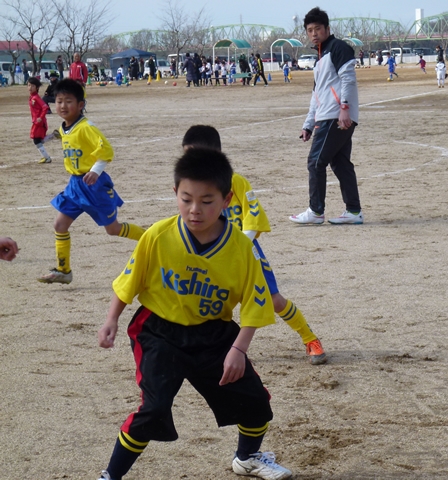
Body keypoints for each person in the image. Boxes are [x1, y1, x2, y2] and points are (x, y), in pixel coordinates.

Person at [96, 146, 292, 480]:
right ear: (175, 193)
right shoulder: (158, 235)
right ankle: (110, 476)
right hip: (159, 331)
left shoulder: (242, 249)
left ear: (227, 200)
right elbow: (129, 281)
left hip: (214, 334)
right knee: (153, 409)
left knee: (256, 402)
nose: (195, 210)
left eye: (207, 200)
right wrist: (112, 318)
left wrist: (238, 349)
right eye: (186, 199)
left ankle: (247, 457)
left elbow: (256, 305)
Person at [182, 125, 327, 364]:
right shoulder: (190, 191)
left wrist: (238, 244)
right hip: (210, 257)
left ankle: (310, 338)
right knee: (205, 301)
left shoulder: (235, 182)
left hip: (245, 252)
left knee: (274, 301)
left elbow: (253, 216)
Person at [37, 79, 145, 284]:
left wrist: (96, 171)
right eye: (59, 101)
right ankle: (63, 270)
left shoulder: (87, 127)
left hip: (93, 186)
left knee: (113, 230)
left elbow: (106, 151)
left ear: (81, 105)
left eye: (68, 101)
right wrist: (49, 137)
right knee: (60, 224)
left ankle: (149, 237)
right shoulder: (65, 126)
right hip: (75, 186)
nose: (62, 106)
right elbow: (63, 133)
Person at [289, 7, 363, 225]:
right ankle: (353, 211)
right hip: (326, 115)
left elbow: (348, 79)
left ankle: (316, 211)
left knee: (315, 161)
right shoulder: (320, 57)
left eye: (318, 29)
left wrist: (344, 108)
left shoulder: (339, 48)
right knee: (340, 164)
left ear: (327, 29)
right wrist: (308, 125)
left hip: (335, 115)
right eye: (310, 30)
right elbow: (316, 95)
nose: (314, 33)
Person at [27, 78, 53, 164]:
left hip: (39, 122)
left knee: (36, 140)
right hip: (36, 121)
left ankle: (47, 158)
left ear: (37, 87)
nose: (30, 87)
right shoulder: (32, 97)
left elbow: (45, 107)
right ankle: (53, 136)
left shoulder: (36, 98)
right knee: (37, 140)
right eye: (29, 85)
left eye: (32, 86)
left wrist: (40, 117)